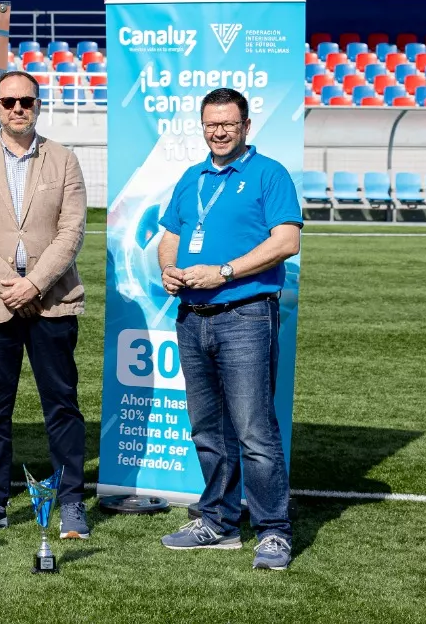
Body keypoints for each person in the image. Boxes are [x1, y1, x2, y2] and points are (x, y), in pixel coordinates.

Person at [156, 87, 302, 571]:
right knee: (207, 430)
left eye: (228, 124)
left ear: (245, 127)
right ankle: (217, 520)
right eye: (211, 124)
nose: (219, 132)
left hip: (245, 316)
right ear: (202, 126)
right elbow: (170, 237)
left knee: (255, 431)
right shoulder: (190, 176)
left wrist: (223, 272)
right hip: (192, 317)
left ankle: (273, 531)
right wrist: (168, 271)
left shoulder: (268, 173)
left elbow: (286, 241)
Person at [0, 70, 90, 540]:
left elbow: (71, 232)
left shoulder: (65, 160)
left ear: (38, 105)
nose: (17, 109)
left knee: (62, 405)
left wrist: (35, 284)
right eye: (8, 102)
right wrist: (10, 283)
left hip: (52, 301)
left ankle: (71, 500)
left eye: (26, 101)